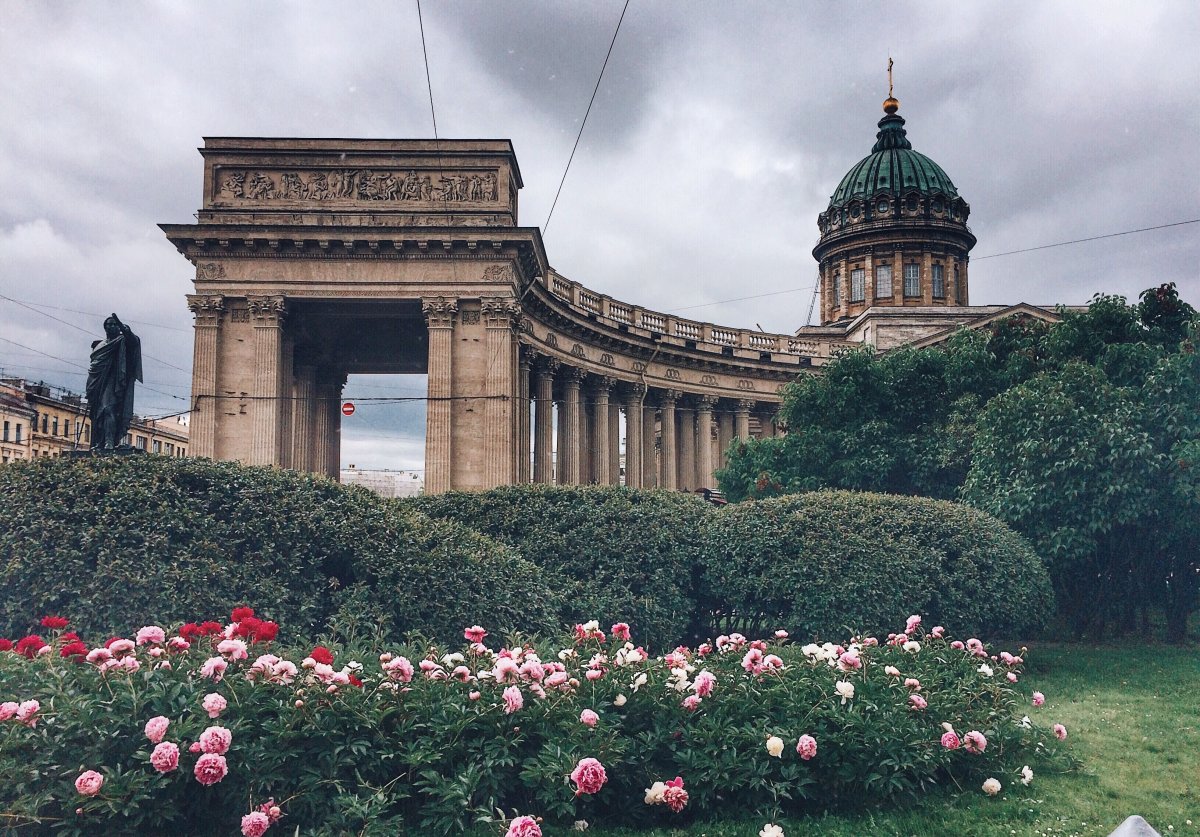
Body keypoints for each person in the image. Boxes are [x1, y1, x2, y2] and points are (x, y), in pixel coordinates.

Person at [86, 314, 142, 450]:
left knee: (108, 409)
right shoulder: (100, 344)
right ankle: (100, 441)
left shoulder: (122, 340)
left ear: (119, 327)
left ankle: (109, 442)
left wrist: (125, 329)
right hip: (96, 381)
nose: (111, 326)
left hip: (114, 380)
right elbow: (94, 363)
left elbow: (133, 341)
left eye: (114, 324)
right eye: (108, 324)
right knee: (97, 413)